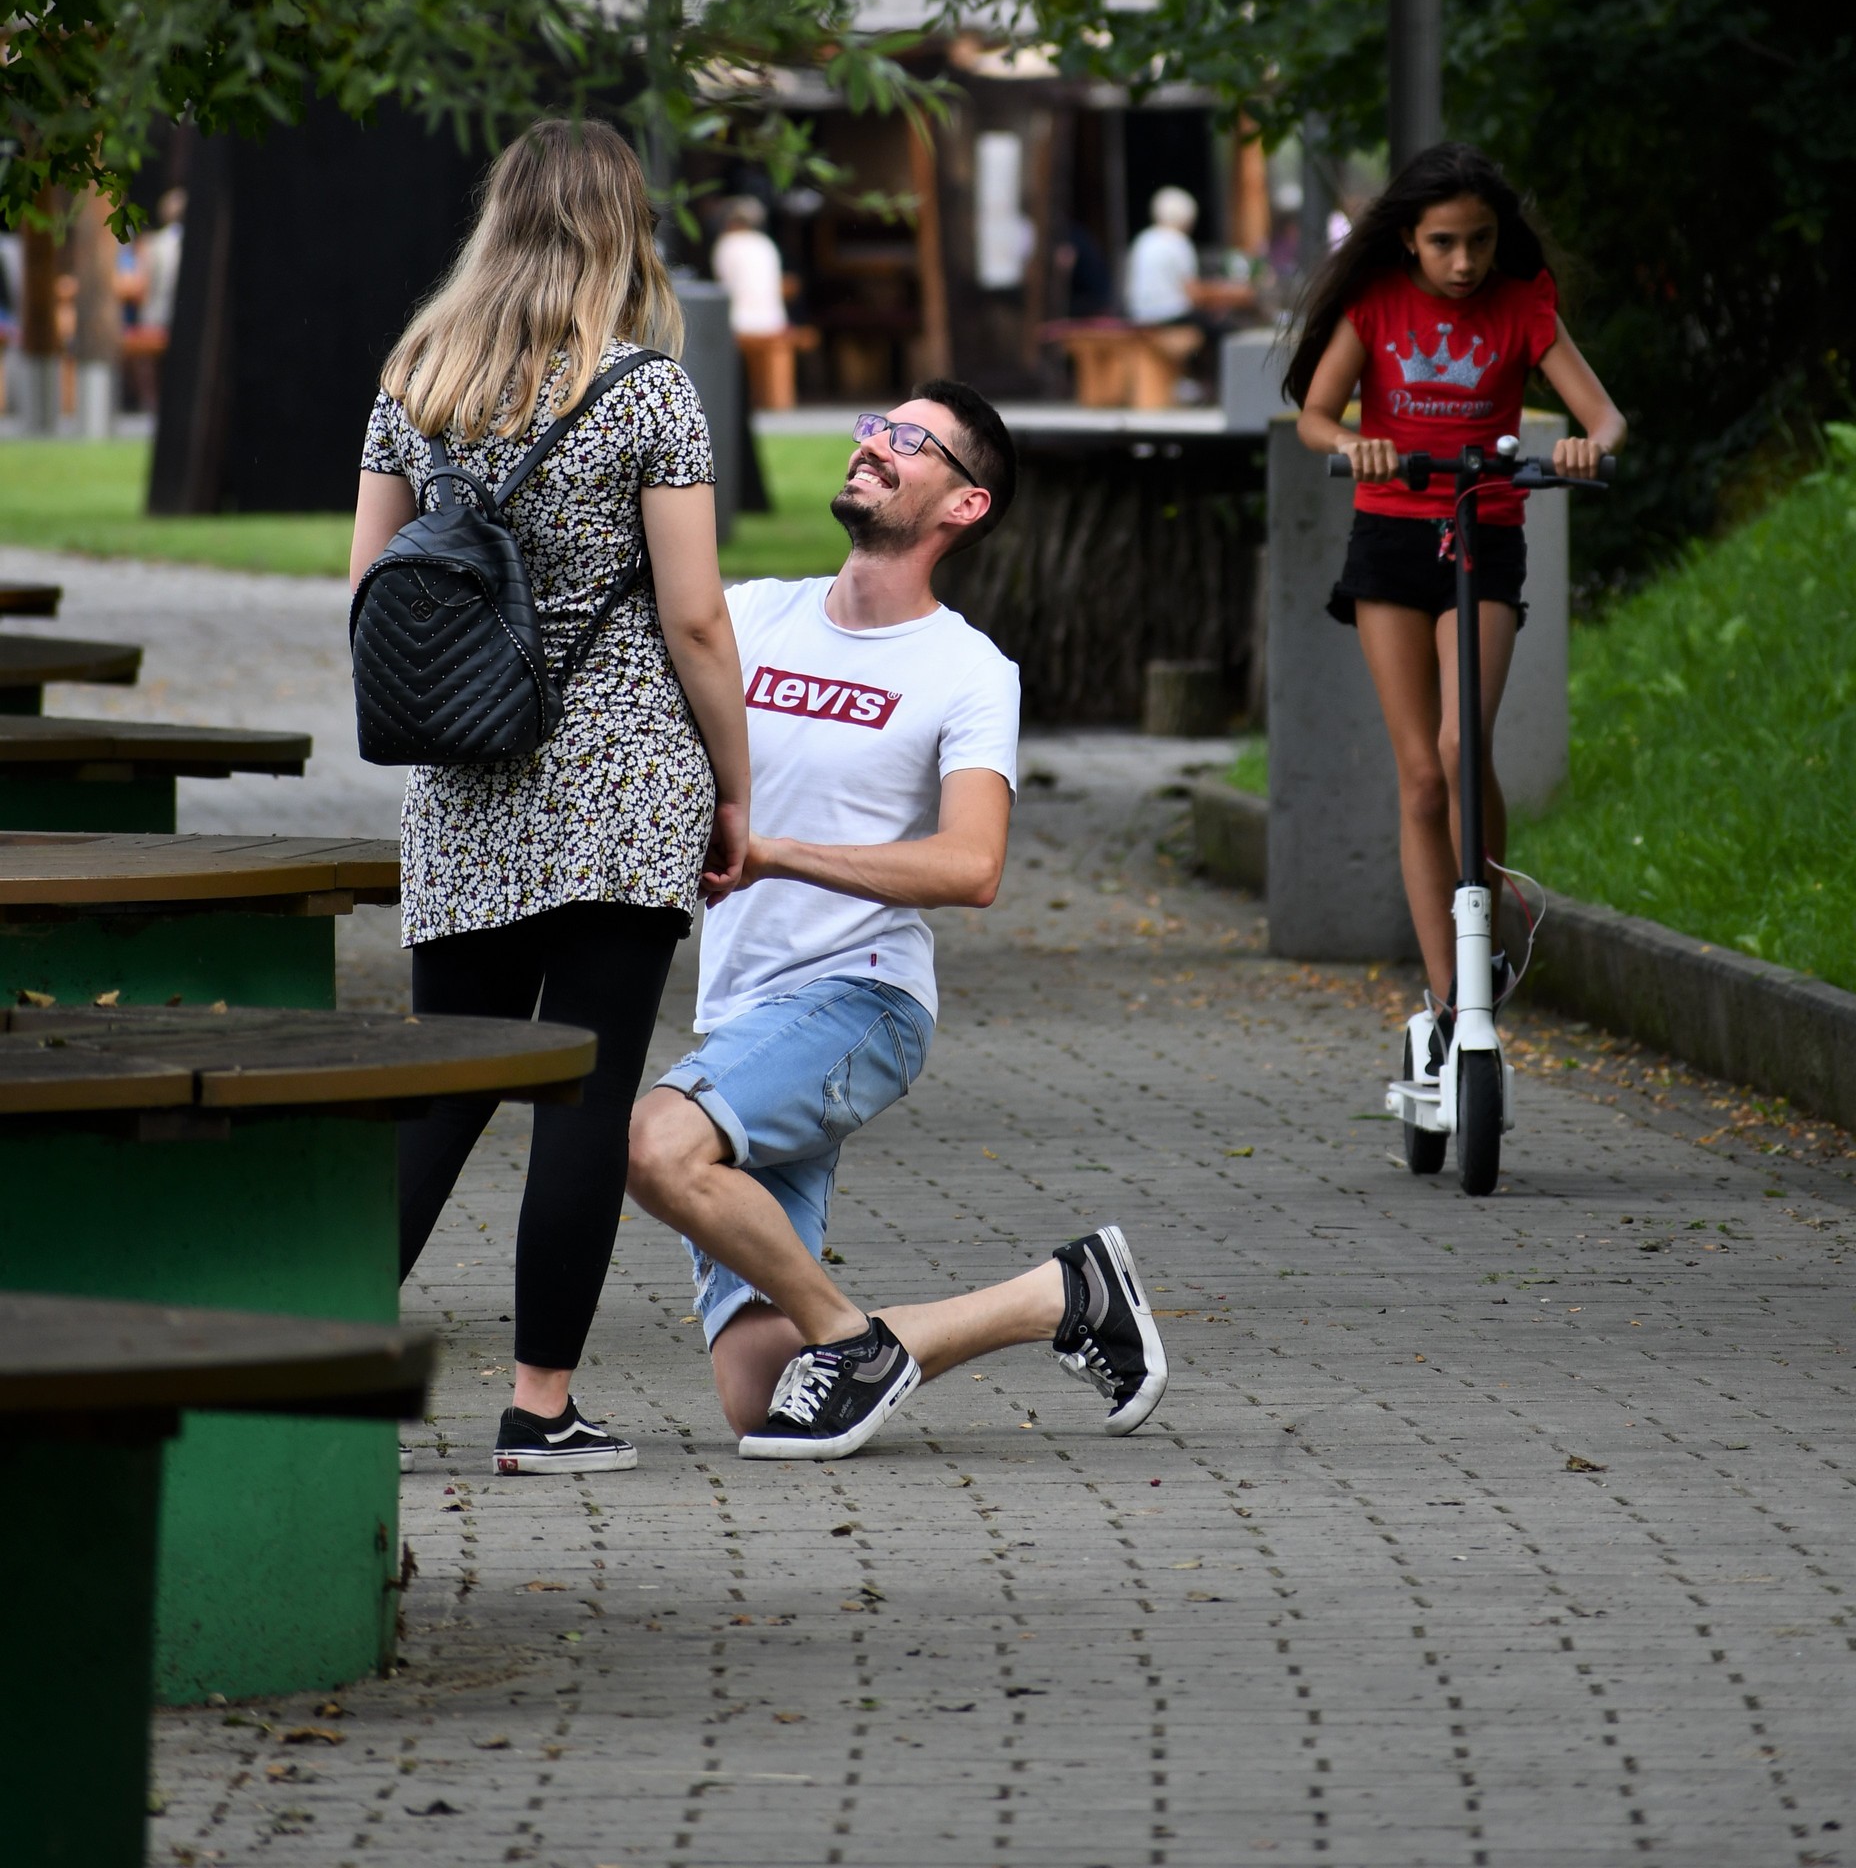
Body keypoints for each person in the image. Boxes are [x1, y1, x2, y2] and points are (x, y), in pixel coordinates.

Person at [626, 382, 1169, 1460]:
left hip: (857, 999)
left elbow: (971, 865)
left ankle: (850, 1341)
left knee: (652, 1145)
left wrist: (770, 851)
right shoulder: (746, 614)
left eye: (910, 442)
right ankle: (1055, 1297)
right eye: (876, 424)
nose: (873, 443)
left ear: (963, 507)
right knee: (760, 1392)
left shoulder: (965, 671)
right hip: (739, 1017)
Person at [350, 118, 752, 1476]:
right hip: (622, 778)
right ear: (621, 226)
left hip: (461, 778)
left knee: (443, 1083)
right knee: (585, 1091)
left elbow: (367, 589)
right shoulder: (647, 393)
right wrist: (736, 790)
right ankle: (539, 1408)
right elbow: (695, 620)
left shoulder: (417, 377)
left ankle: (320, 1364)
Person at [1286, 141, 1625, 1031]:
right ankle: (1452, 991)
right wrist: (1350, 442)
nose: (1465, 262)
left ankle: (1487, 935)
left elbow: (1605, 414)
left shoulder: (1523, 308)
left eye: (1478, 240)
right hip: (1391, 539)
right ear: (1408, 239)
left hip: (1486, 535)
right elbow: (1315, 416)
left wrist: (1591, 445)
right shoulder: (1375, 304)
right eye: (1444, 243)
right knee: (1420, 776)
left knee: (1460, 748)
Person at [1122, 185, 1202, 327]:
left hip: (1138, 315)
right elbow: (1192, 291)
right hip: (1170, 316)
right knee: (1221, 328)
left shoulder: (1143, 238)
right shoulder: (1179, 242)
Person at [711, 195, 788, 340]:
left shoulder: (727, 243)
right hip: (773, 322)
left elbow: (723, 285)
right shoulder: (765, 243)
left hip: (738, 324)